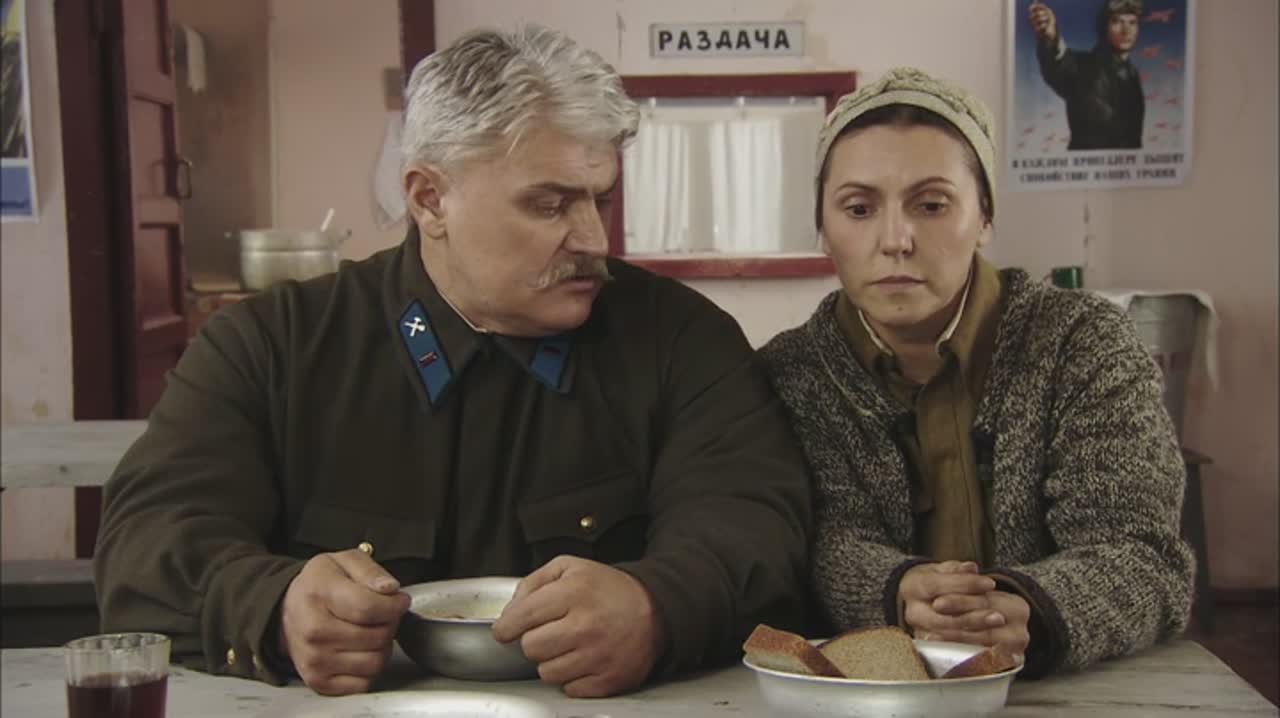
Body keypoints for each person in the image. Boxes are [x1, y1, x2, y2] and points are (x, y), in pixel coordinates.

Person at [94, 25, 812, 698]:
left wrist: (659, 606)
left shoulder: (683, 341)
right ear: (429, 199)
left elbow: (756, 526)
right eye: (550, 204)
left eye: (601, 199)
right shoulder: (269, 346)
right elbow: (146, 545)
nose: (593, 238)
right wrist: (275, 606)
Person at [759, 67, 1193, 678]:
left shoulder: (1083, 343)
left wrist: (1032, 610)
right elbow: (809, 547)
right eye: (858, 208)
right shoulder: (788, 374)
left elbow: (1144, 555)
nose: (896, 239)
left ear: (985, 218)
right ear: (823, 230)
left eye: (932, 205)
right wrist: (897, 590)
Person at [1029, 0, 1145, 150]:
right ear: (1104, 27)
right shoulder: (1082, 66)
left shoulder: (1132, 74)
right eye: (1117, 22)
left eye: (1132, 22)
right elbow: (1057, 64)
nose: (1126, 30)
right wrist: (1049, 37)